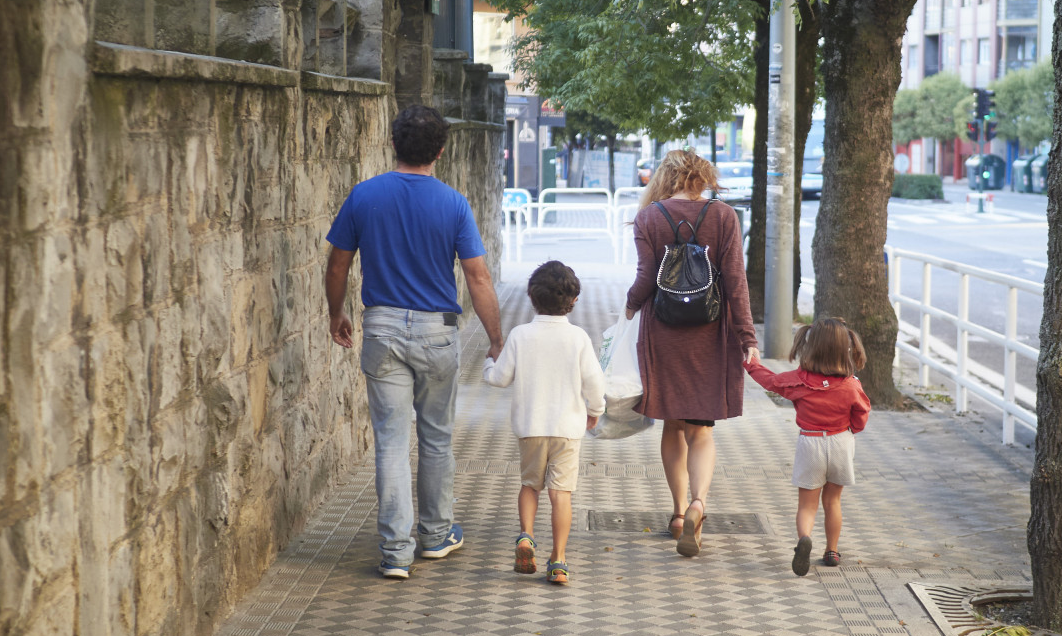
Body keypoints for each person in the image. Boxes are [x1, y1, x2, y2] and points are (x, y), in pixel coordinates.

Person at [325, 104, 504, 580]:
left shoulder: (364, 196)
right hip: (437, 333)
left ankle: (395, 552)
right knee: (437, 438)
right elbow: (478, 276)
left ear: (393, 145)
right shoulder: (453, 203)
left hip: (381, 328)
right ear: (441, 152)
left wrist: (336, 312)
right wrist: (496, 338)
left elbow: (338, 264)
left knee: (390, 441)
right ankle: (435, 535)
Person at [624, 149, 759, 557]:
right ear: (704, 177)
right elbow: (736, 281)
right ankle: (700, 502)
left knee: (672, 425)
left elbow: (646, 277)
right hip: (711, 333)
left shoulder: (649, 218)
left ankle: (680, 513)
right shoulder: (724, 217)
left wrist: (628, 308)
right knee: (701, 429)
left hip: (664, 332)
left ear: (667, 177)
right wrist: (747, 338)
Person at [482, 261, 606, 585]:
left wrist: (486, 363)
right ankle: (560, 561)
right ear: (574, 300)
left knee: (529, 485)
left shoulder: (520, 335)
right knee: (561, 494)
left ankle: (525, 537)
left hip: (530, 428)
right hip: (567, 430)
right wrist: (596, 409)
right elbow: (594, 382)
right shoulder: (578, 338)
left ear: (530, 296)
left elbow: (499, 378)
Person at [744, 317, 871, 576]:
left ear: (811, 347)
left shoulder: (800, 381)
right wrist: (852, 432)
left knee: (807, 505)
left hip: (810, 442)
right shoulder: (851, 385)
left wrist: (751, 363)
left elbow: (770, 381)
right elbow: (861, 415)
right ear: (845, 349)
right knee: (833, 500)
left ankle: (804, 539)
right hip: (841, 442)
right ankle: (832, 551)